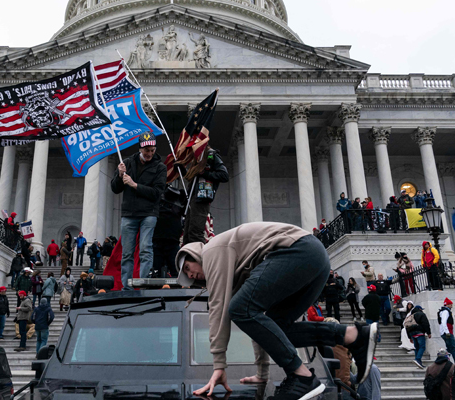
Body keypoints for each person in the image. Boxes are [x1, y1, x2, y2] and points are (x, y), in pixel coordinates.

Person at [175, 222, 378, 399]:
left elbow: (219, 309)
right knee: (276, 326)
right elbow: (260, 325)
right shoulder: (236, 267)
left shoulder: (211, 250)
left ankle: (302, 376)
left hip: (299, 251)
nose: (191, 275)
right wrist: (262, 372)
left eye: (187, 268)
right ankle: (352, 335)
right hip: (315, 258)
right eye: (187, 276)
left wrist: (219, 366)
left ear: (193, 254)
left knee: (238, 309)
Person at [111, 133, 166, 290]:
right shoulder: (127, 163)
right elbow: (115, 188)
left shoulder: (160, 167)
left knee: (145, 249)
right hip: (129, 214)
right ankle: (126, 288)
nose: (149, 153)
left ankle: (143, 286)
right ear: (140, 148)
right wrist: (120, 175)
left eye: (152, 150)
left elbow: (157, 193)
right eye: (147, 150)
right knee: (127, 253)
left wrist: (135, 185)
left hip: (149, 213)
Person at [182, 146, 229, 244]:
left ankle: (199, 257)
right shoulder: (197, 158)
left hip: (202, 199)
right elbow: (191, 177)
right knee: (187, 234)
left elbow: (224, 175)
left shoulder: (211, 155)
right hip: (193, 198)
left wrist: (205, 173)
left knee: (195, 233)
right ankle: (189, 256)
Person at [153, 186, 184, 278]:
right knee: (157, 270)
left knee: (175, 270)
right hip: (160, 240)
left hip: (170, 241)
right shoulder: (159, 202)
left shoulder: (179, 205)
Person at [438, 297, 455, 363]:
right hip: (447, 332)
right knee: (453, 348)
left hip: (445, 332)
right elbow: (444, 322)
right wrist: (447, 332)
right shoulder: (446, 311)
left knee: (449, 349)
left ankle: (444, 362)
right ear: (447, 305)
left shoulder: (443, 311)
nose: (451, 306)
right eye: (450, 305)